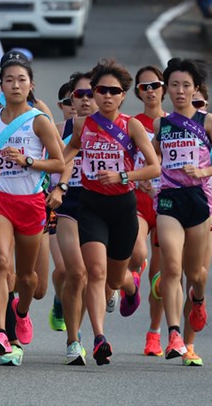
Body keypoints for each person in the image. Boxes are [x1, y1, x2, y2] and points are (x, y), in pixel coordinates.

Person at [62, 58, 160, 365]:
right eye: (100, 90)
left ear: (122, 95)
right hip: (90, 206)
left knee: (114, 278)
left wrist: (124, 176)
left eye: (113, 91)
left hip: (122, 207)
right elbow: (68, 152)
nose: (106, 96)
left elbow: (154, 166)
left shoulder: (131, 126)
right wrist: (57, 179)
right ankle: (99, 338)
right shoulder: (83, 123)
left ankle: (129, 285)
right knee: (95, 272)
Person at [0, 52, 65, 366]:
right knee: (1, 261)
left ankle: (22, 312)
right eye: (9, 80)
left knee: (28, 278)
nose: (15, 85)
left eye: (21, 80)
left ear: (31, 85)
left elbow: (58, 162)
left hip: (30, 202)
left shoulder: (38, 120)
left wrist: (28, 161)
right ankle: (1, 332)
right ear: (1, 85)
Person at [152, 58, 212, 363]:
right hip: (170, 198)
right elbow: (152, 158)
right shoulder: (162, 124)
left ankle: (198, 298)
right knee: (171, 268)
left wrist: (203, 171)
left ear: (196, 88)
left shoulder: (207, 121)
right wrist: (149, 178)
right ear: (167, 89)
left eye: (186, 85)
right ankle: (174, 335)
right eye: (174, 85)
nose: (180, 91)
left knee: (195, 273)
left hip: (200, 200)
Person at [47, 72, 96, 364]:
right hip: (66, 203)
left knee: (92, 276)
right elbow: (46, 163)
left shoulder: (117, 129)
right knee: (74, 272)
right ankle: (73, 340)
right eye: (79, 95)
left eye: (92, 93)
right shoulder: (55, 129)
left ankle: (79, 321)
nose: (86, 100)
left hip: (102, 203)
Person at [131, 66, 166, 358]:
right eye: (144, 87)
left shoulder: (178, 123)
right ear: (138, 92)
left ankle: (154, 333)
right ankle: (134, 271)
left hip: (169, 205)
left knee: (162, 278)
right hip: (140, 203)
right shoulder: (132, 124)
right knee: (137, 253)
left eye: (155, 84)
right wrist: (135, 175)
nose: (151, 90)